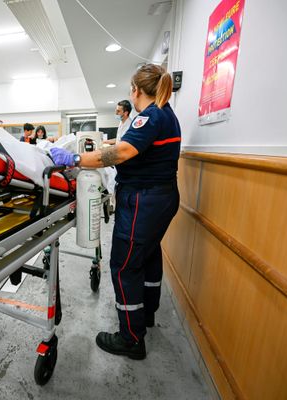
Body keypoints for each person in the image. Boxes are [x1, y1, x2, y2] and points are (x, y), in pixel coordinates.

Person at [50, 64, 180, 360]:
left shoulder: (150, 116)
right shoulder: (167, 114)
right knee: (147, 256)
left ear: (136, 90)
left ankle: (131, 338)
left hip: (143, 202)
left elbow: (121, 153)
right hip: (161, 198)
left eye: (131, 91)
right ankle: (145, 314)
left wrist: (75, 158)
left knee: (124, 265)